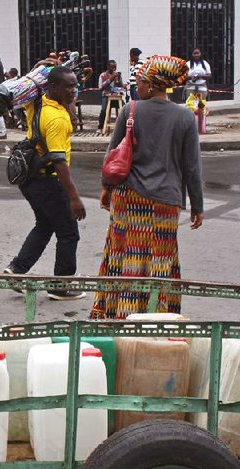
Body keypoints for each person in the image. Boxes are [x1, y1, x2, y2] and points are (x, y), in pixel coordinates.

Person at [90, 56, 204, 319]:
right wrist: (197, 205)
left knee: (121, 254)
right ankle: (156, 317)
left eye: (139, 81)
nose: (136, 86)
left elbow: (112, 156)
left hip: (128, 197)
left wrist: (105, 187)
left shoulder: (132, 110)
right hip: (166, 200)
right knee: (160, 258)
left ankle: (117, 314)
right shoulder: (185, 117)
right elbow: (192, 167)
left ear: (152, 85)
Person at [4, 67, 87, 300]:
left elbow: (33, 82)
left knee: (44, 225)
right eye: (69, 86)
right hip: (49, 182)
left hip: (30, 179)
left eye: (75, 85)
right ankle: (60, 286)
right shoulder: (57, 119)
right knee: (69, 233)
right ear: (53, 87)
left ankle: (17, 270)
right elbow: (59, 161)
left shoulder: (37, 102)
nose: (74, 90)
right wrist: (74, 198)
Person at [97, 60, 125, 133]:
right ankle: (100, 127)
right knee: (103, 110)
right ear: (108, 67)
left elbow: (121, 86)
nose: (114, 69)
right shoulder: (102, 75)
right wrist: (110, 79)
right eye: (112, 67)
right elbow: (100, 87)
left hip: (116, 97)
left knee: (125, 108)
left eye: (115, 67)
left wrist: (119, 80)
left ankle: (124, 127)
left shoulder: (117, 75)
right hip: (106, 96)